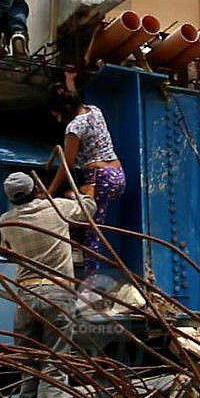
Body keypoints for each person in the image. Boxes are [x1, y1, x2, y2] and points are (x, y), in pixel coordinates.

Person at [0, 172, 95, 398]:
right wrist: (81, 193)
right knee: (55, 356)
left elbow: (7, 251)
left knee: (29, 360)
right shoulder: (57, 207)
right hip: (58, 293)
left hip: (26, 295)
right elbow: (89, 209)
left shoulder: (6, 221)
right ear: (35, 190)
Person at [48, 92, 125, 275]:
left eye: (58, 115)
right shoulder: (94, 110)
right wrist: (70, 82)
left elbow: (67, 163)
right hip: (117, 176)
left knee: (92, 234)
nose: (59, 120)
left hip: (99, 179)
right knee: (72, 200)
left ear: (65, 111)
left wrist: (49, 192)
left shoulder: (74, 128)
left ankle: (90, 288)